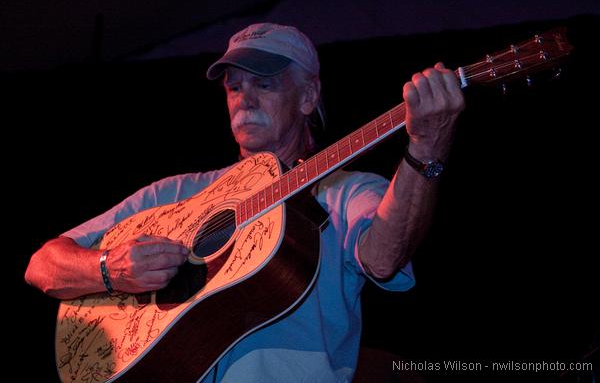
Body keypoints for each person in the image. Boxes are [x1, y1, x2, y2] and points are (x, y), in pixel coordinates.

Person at [25, 23, 464, 382]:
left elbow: (385, 257)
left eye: (264, 83)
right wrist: (110, 268)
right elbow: (43, 265)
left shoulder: (344, 191)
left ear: (308, 97)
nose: (244, 99)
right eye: (234, 87)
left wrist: (426, 148)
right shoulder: (174, 194)